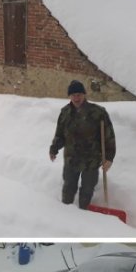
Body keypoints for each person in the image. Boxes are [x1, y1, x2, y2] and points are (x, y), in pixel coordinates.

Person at [49, 79, 116, 209]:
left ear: (84, 95)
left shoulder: (98, 112)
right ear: (69, 96)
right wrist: (54, 149)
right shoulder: (65, 112)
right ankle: (65, 212)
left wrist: (109, 157)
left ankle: (83, 215)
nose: (76, 98)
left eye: (79, 94)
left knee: (87, 189)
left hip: (91, 160)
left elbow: (109, 136)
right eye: (73, 95)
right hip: (71, 158)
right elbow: (60, 135)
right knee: (68, 187)